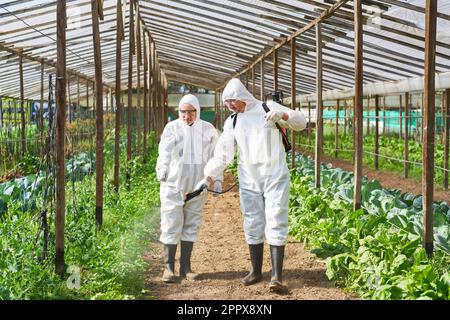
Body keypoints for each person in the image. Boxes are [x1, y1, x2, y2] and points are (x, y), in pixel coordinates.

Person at [198, 78, 306, 293]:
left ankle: (276, 276)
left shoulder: (269, 108)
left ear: (243, 97)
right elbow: (223, 153)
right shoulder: (233, 121)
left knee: (276, 220)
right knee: (252, 222)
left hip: (275, 176)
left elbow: (301, 122)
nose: (230, 105)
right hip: (249, 179)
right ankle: (256, 271)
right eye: (227, 102)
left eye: (233, 101)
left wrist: (283, 115)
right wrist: (208, 176)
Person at [156, 94, 222, 283]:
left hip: (197, 184)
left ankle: (186, 267)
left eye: (191, 111)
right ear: (179, 112)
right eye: (183, 112)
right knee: (170, 222)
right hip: (174, 183)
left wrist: (216, 180)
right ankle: (168, 268)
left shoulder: (208, 130)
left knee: (191, 223)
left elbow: (215, 156)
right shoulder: (172, 128)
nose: (187, 116)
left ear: (197, 111)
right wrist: (162, 168)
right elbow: (165, 151)